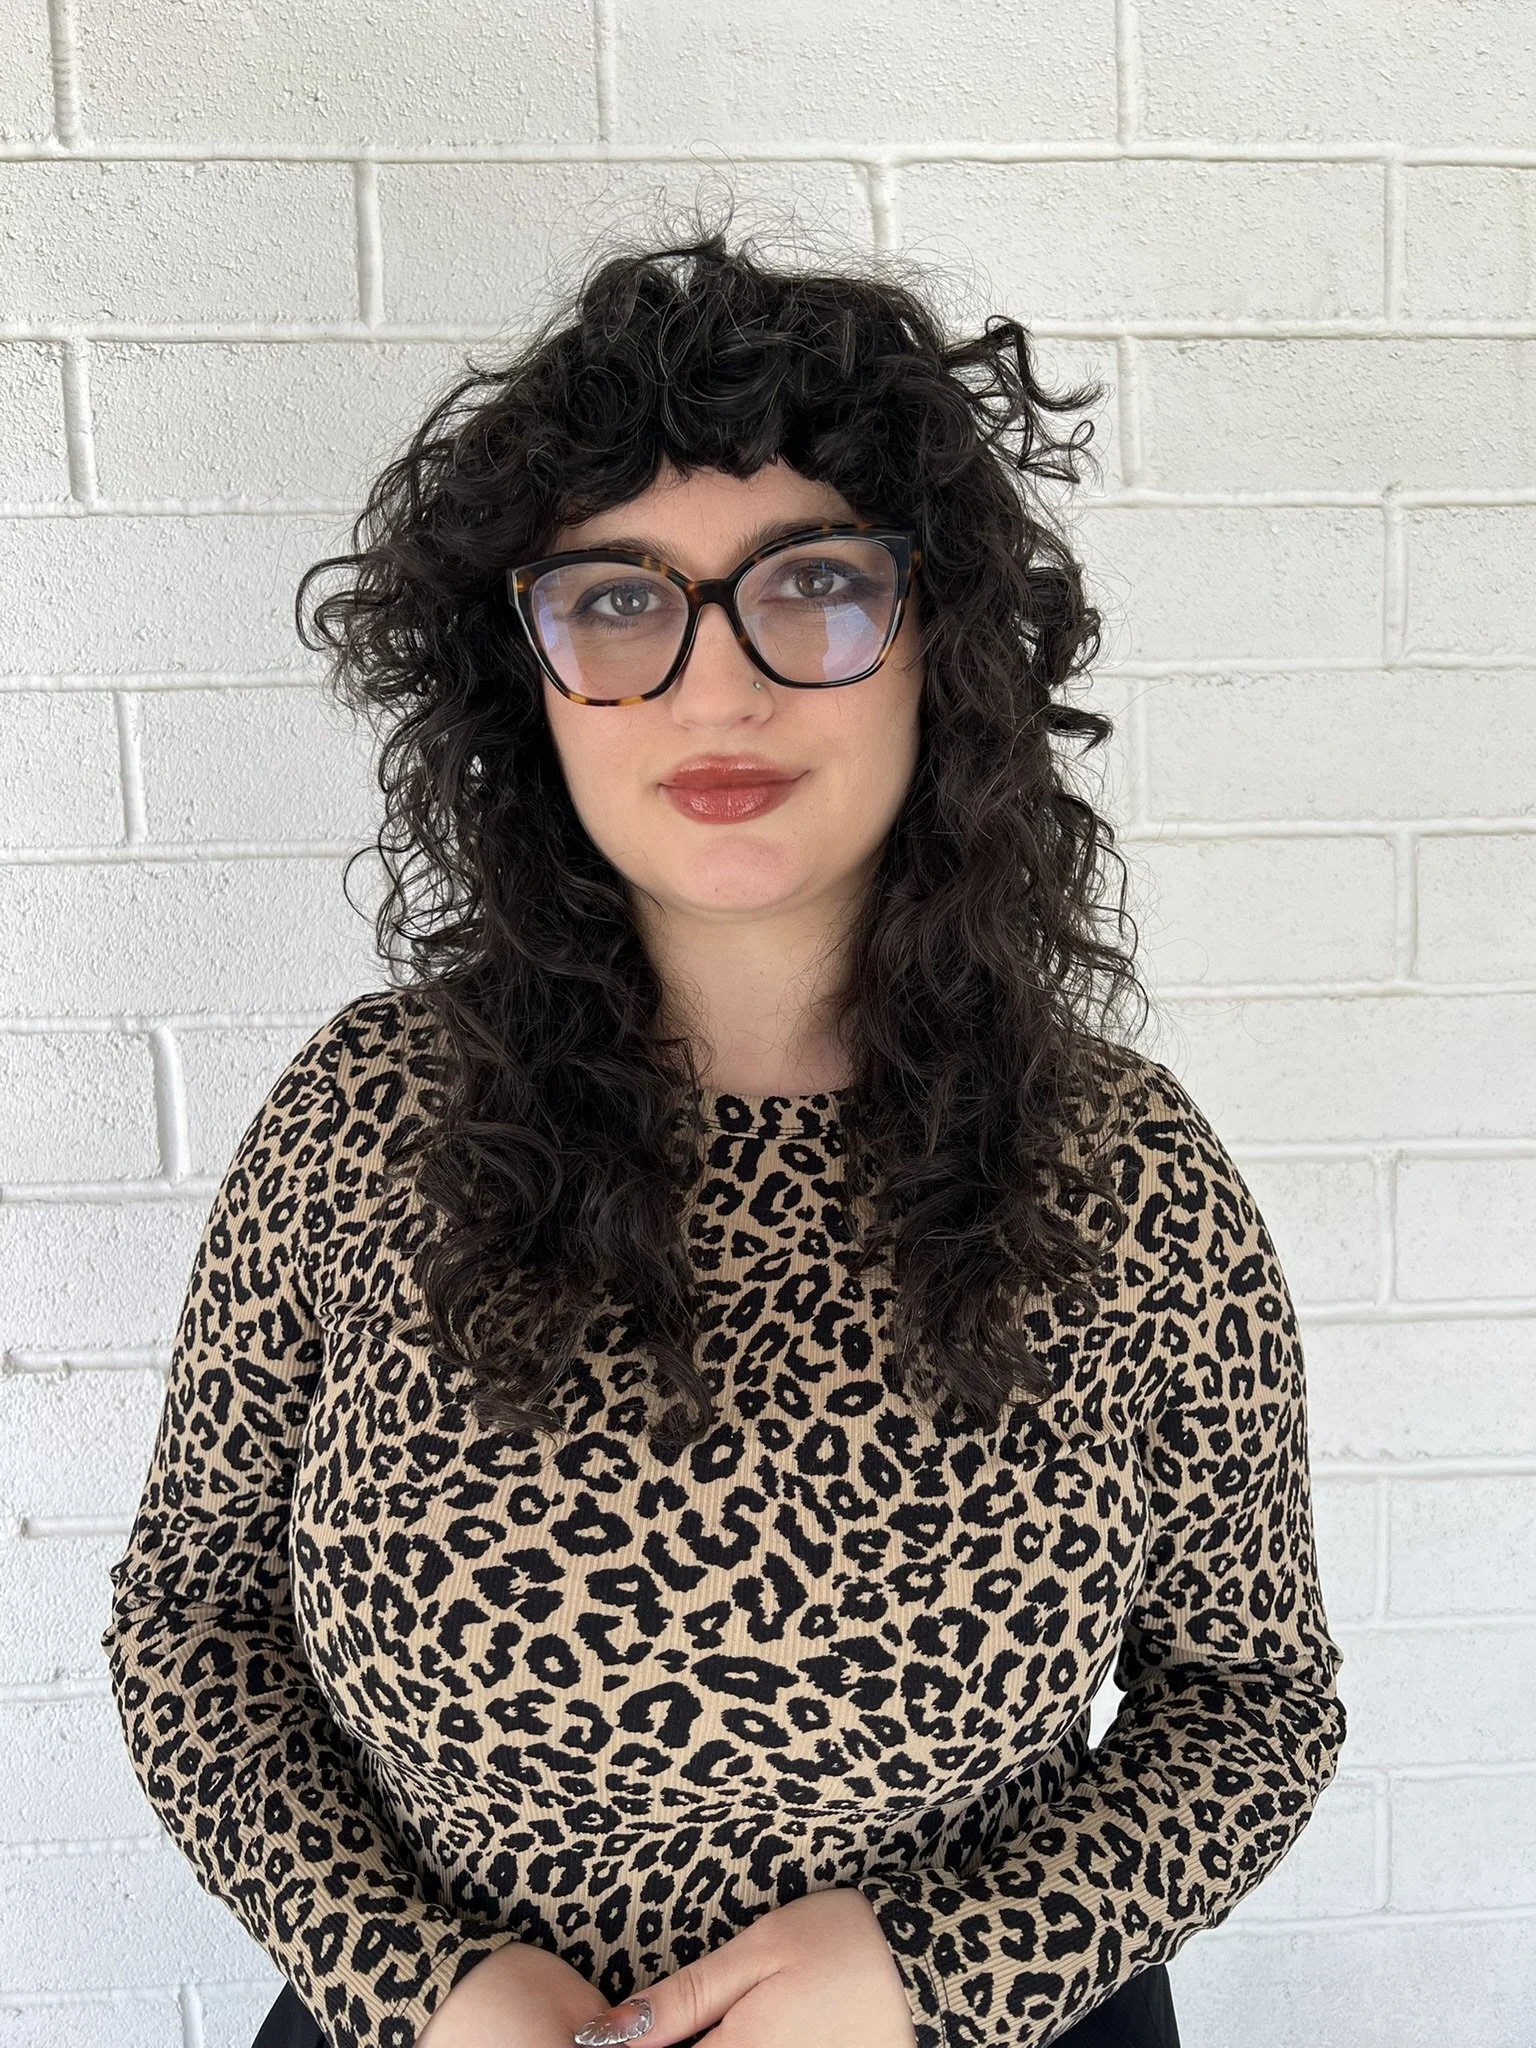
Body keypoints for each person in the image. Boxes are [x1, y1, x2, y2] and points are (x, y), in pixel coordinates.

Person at [100, 222, 1346, 2048]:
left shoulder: (1125, 1169)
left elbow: (1253, 1702)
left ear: (940, 644)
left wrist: (940, 1970)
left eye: (812, 583)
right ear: (524, 681)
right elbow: (191, 1628)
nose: (713, 681)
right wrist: (417, 1980)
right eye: (617, 597)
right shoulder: (368, 1124)